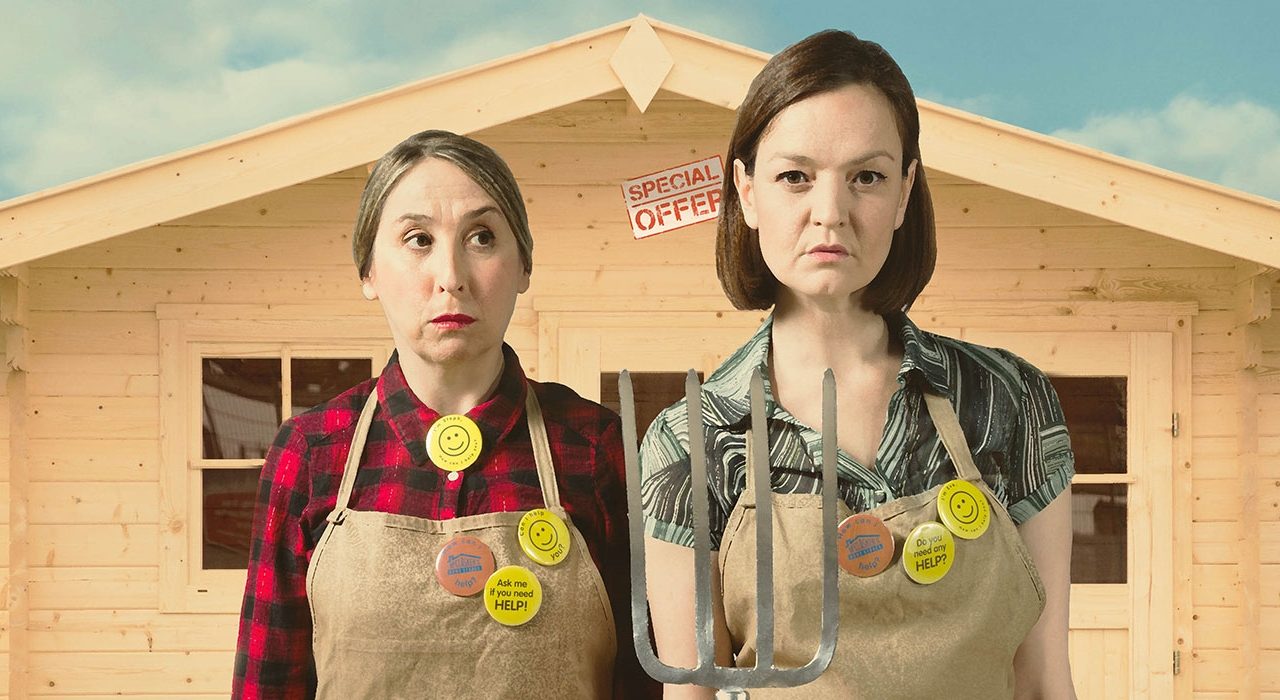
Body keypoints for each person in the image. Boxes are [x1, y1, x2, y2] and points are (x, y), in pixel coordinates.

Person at [639, 31, 1076, 699]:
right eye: (795, 177)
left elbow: (1043, 681)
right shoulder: (689, 443)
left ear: (904, 193)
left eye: (866, 177)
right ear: (748, 193)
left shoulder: (1009, 402)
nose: (830, 214)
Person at [232, 130, 655, 699]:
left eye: (482, 237)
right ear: (368, 272)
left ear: (524, 265)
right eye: (417, 239)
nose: (450, 276)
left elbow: (650, 684)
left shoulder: (601, 447)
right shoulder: (309, 454)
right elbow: (267, 687)